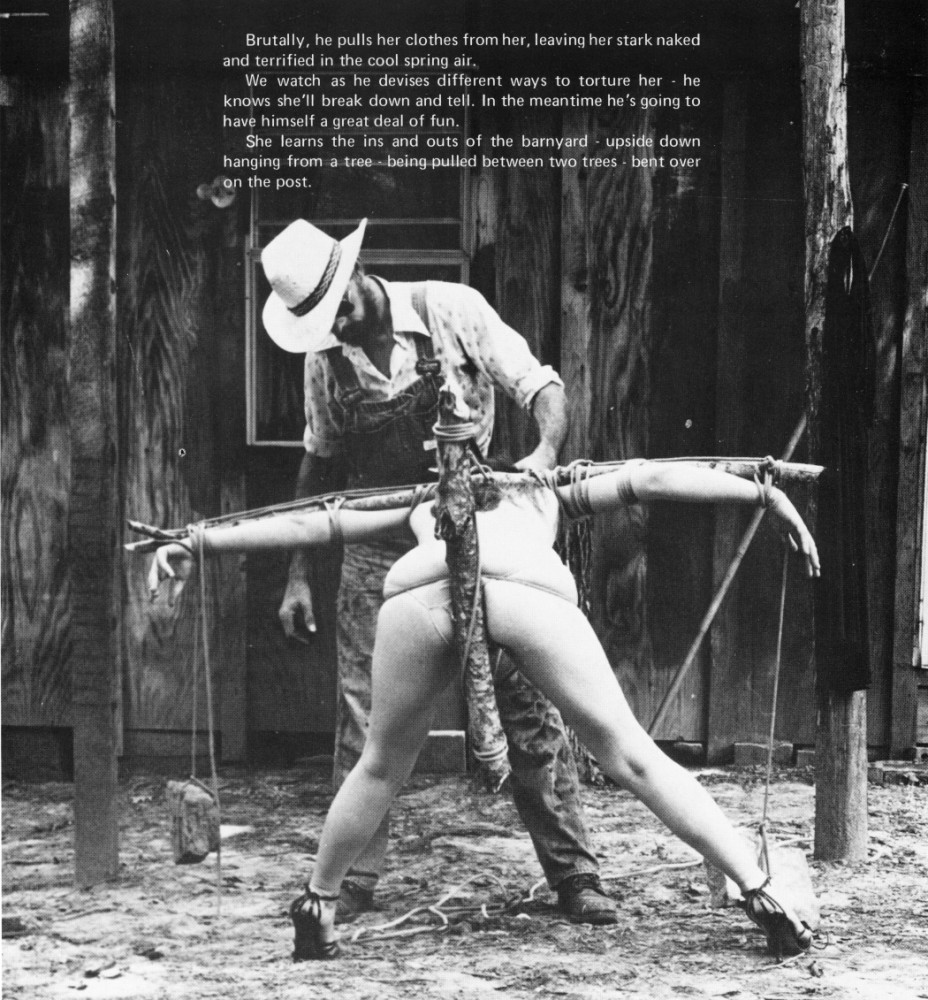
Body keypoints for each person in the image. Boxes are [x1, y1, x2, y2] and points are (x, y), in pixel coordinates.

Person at [147, 458, 821, 963]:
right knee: (632, 755)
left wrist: (193, 542)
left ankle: (318, 899)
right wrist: (763, 494)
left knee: (379, 766)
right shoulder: (544, 487)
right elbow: (651, 478)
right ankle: (758, 888)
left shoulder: (429, 498)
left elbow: (320, 522)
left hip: (422, 589)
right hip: (524, 587)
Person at [260, 217, 616, 924]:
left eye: (344, 311)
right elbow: (319, 459)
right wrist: (297, 572)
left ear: (359, 272)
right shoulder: (324, 360)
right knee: (364, 712)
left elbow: (542, 388)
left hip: (476, 527)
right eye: (325, 325)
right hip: (382, 539)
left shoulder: (452, 310)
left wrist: (542, 456)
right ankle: (349, 880)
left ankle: (575, 872)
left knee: (526, 697)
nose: (341, 329)